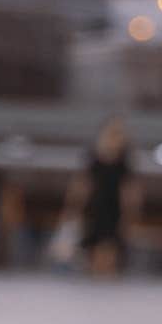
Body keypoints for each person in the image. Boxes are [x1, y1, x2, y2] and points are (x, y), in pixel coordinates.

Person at [63, 116, 140, 279]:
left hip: (114, 210)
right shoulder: (93, 156)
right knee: (92, 251)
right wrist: (73, 208)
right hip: (94, 209)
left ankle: (107, 287)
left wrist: (130, 214)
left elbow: (130, 190)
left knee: (109, 251)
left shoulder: (124, 159)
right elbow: (82, 184)